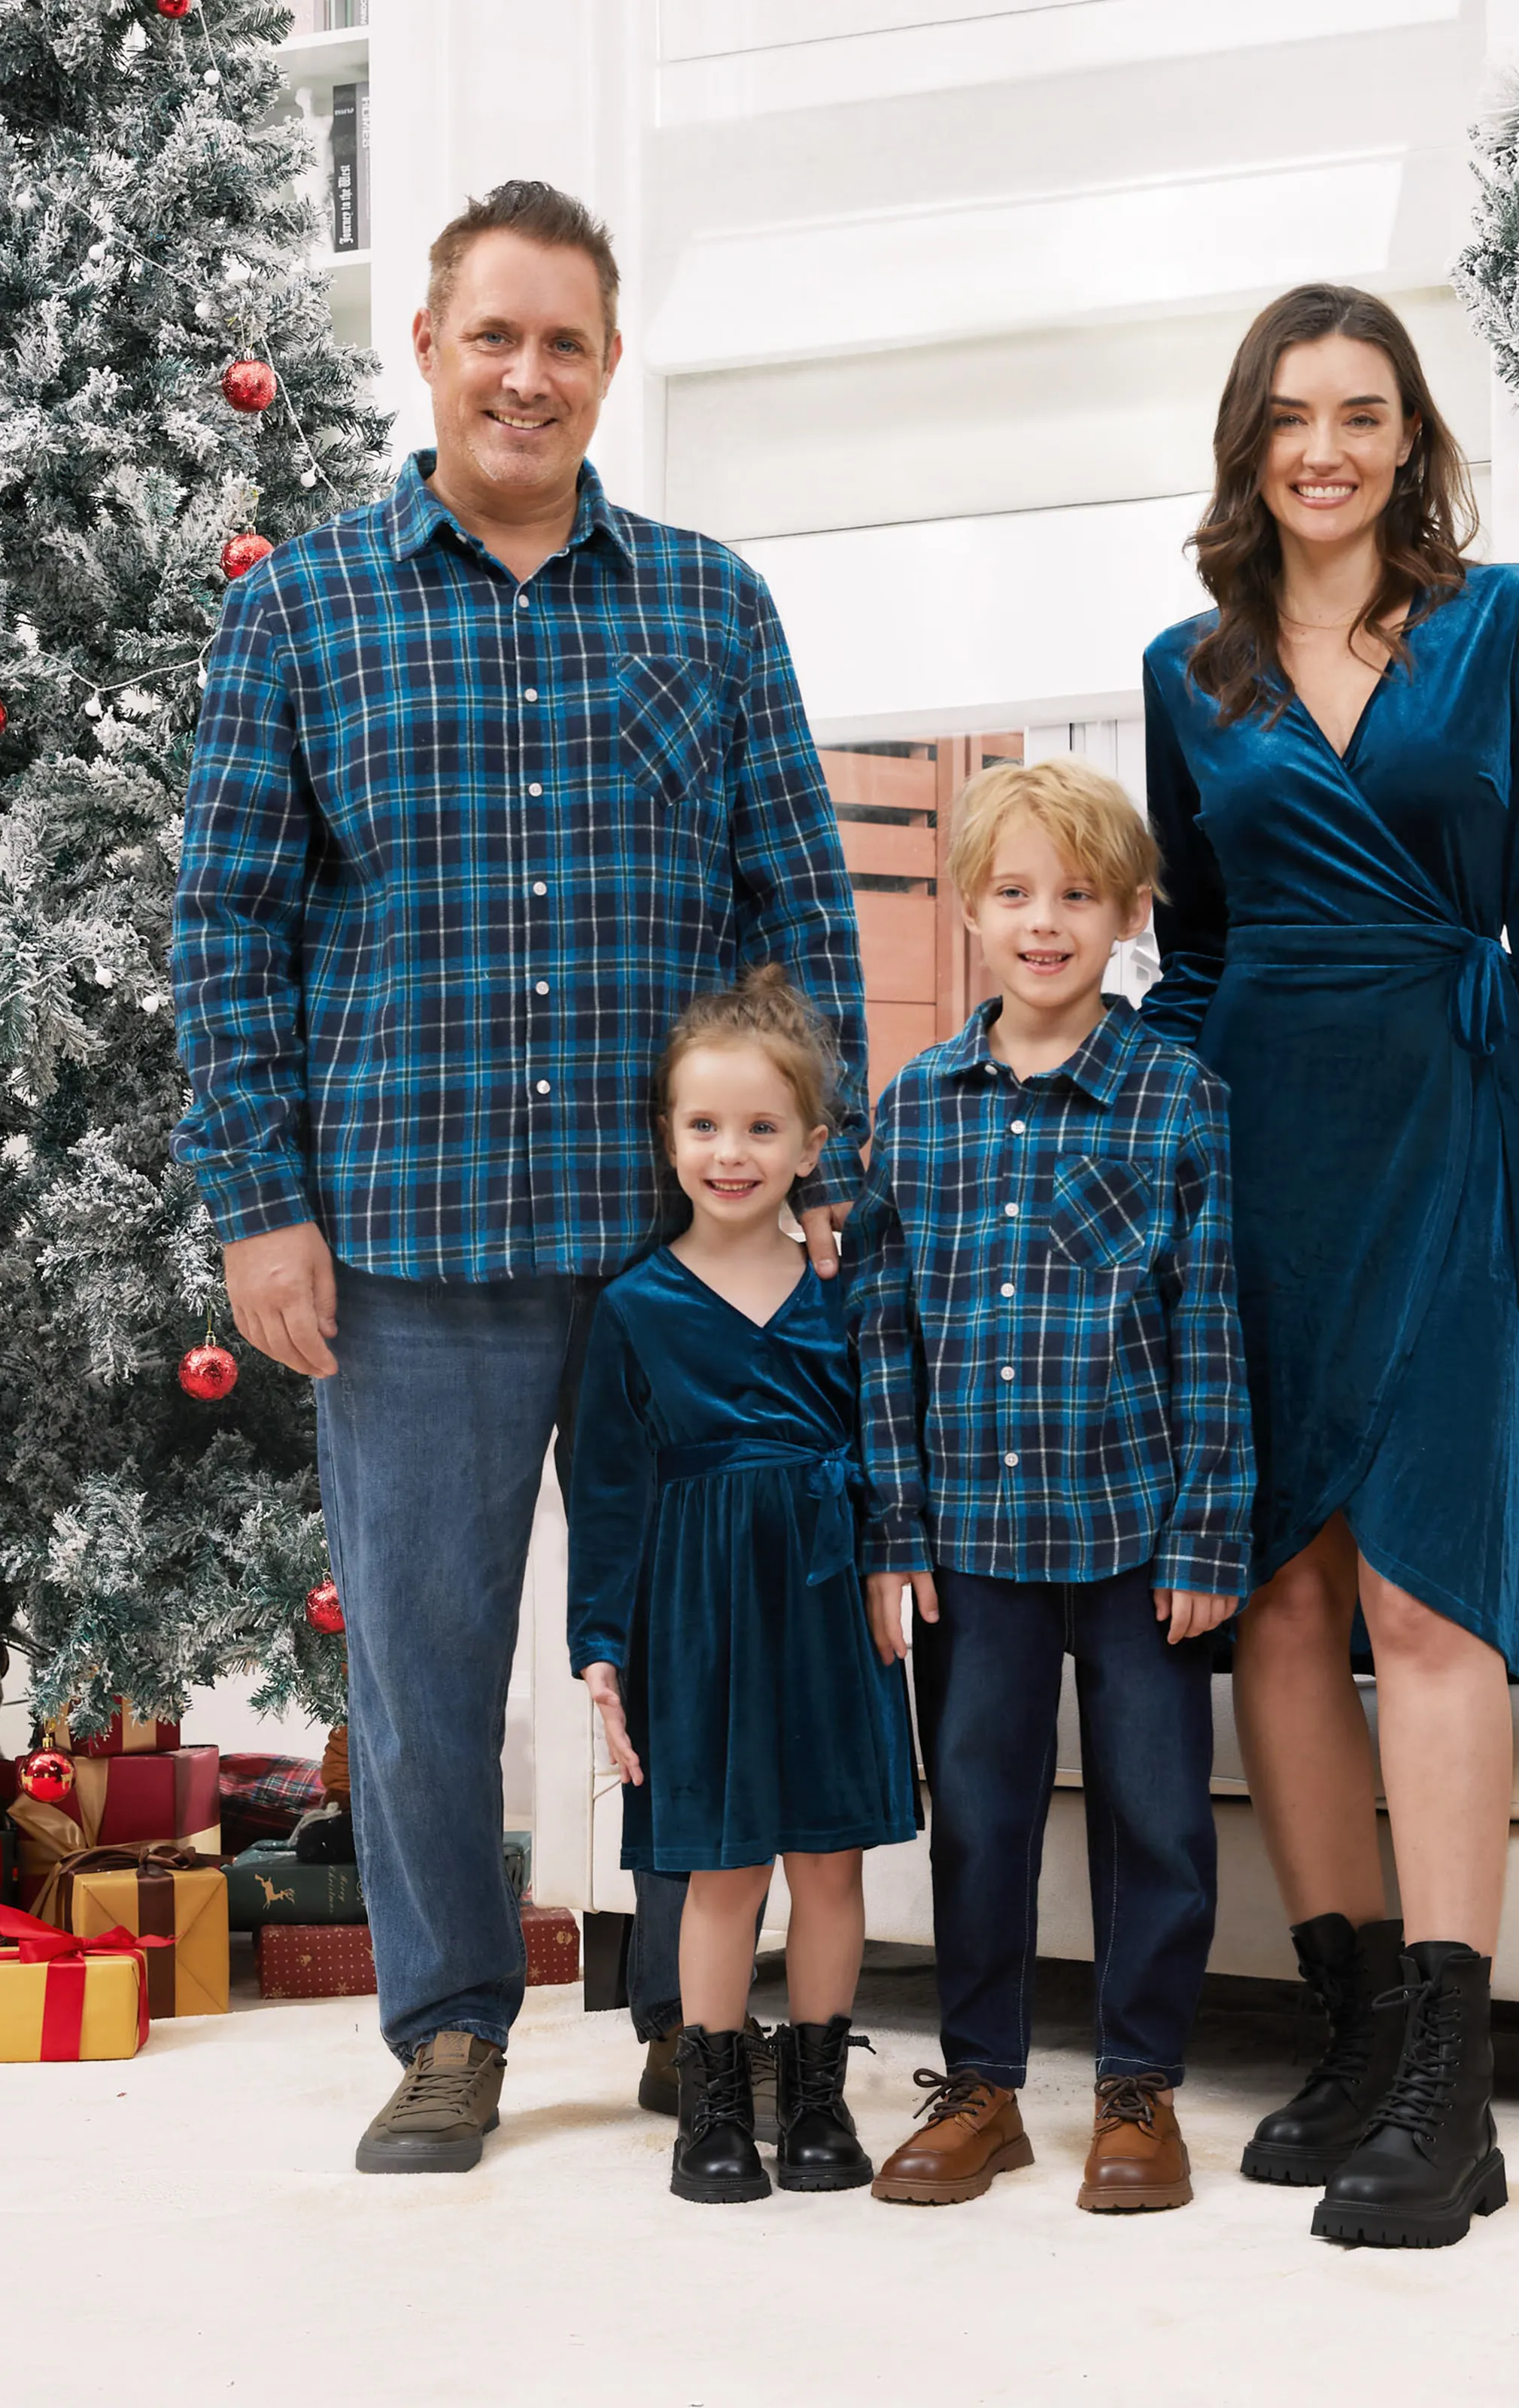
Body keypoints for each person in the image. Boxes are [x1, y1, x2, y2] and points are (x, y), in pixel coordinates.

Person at [169, 182, 867, 2172]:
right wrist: (256, 1199)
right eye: (495, 335)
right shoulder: (298, 609)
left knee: (704, 1624)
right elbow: (223, 930)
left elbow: (801, 900)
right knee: (425, 1663)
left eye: (565, 342)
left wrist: (831, 1170)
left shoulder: (710, 605)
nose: (527, 374)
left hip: (688, 1257)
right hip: (404, 1242)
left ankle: (691, 2011)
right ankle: (455, 2027)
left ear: (607, 366)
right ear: (429, 344)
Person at [1141, 284, 1519, 2249]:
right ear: (1250, 444)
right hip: (1259, 1149)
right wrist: (1128, 1168)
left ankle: (1452, 2085)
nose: (1326, 447)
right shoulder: (1196, 672)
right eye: (1291, 415)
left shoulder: (1507, 626)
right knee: (1279, 1605)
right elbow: (1188, 961)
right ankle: (1348, 2035)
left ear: (1411, 438)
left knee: (1425, 1593)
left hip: (1453, 1126)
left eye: (1364, 413)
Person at [847, 758, 1255, 2215]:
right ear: (967, 911)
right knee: (978, 1810)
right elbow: (880, 1335)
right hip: (968, 1542)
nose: (1044, 922)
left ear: (1127, 915)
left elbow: (1210, 1330)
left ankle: (1139, 2086)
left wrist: (1210, 1527)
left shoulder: (1178, 1101)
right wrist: (893, 1531)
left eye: (1077, 895)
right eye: (1015, 893)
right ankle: (983, 2085)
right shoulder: (916, 1109)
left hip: (1142, 1538)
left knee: (1159, 1813)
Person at [568, 968, 917, 2203]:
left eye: (763, 1128)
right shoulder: (633, 1307)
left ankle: (818, 2101)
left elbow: (891, 1436)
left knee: (830, 1864)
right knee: (723, 1871)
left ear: (813, 1144)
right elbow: (609, 1497)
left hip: (827, 1600)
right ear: (666, 1137)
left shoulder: (843, 1283)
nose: (732, 1152)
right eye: (704, 1126)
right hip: (700, 1618)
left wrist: (888, 1556)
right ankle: (708, 2112)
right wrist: (601, 1648)